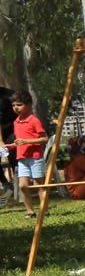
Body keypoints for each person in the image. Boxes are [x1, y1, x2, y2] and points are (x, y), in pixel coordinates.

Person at [8, 90, 46, 218]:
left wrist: (27, 141)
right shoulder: (16, 122)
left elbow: (44, 138)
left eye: (19, 104)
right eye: (13, 105)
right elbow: (20, 141)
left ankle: (44, 210)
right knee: (23, 186)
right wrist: (11, 146)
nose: (16, 108)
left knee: (38, 185)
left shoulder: (34, 120)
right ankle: (30, 211)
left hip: (35, 158)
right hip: (22, 158)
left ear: (29, 105)